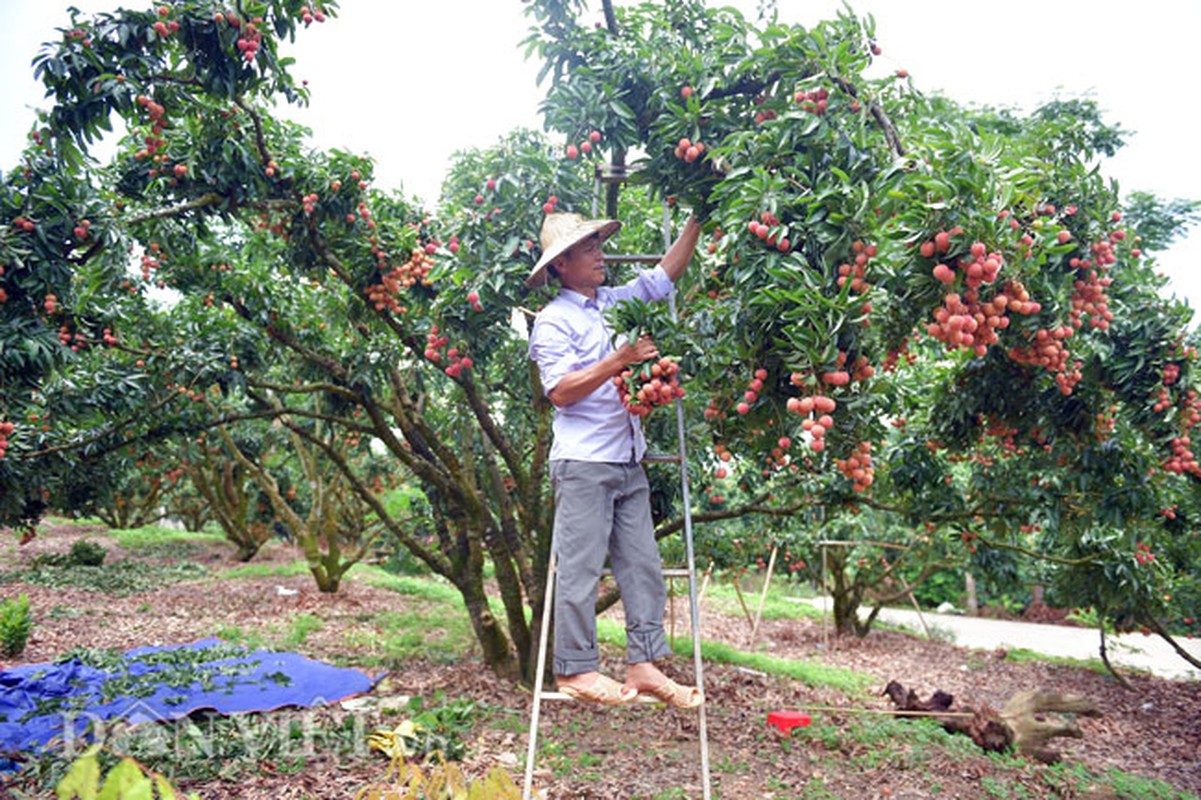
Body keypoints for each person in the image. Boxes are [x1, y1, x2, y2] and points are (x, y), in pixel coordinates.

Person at [526, 210, 703, 708]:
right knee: (580, 570)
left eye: (599, 243)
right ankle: (576, 669)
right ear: (561, 264)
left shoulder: (614, 304)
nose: (600, 253)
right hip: (583, 463)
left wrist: (697, 220)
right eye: (588, 248)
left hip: (628, 459)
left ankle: (644, 663)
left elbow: (663, 276)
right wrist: (618, 362)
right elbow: (560, 391)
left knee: (644, 567)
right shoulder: (553, 322)